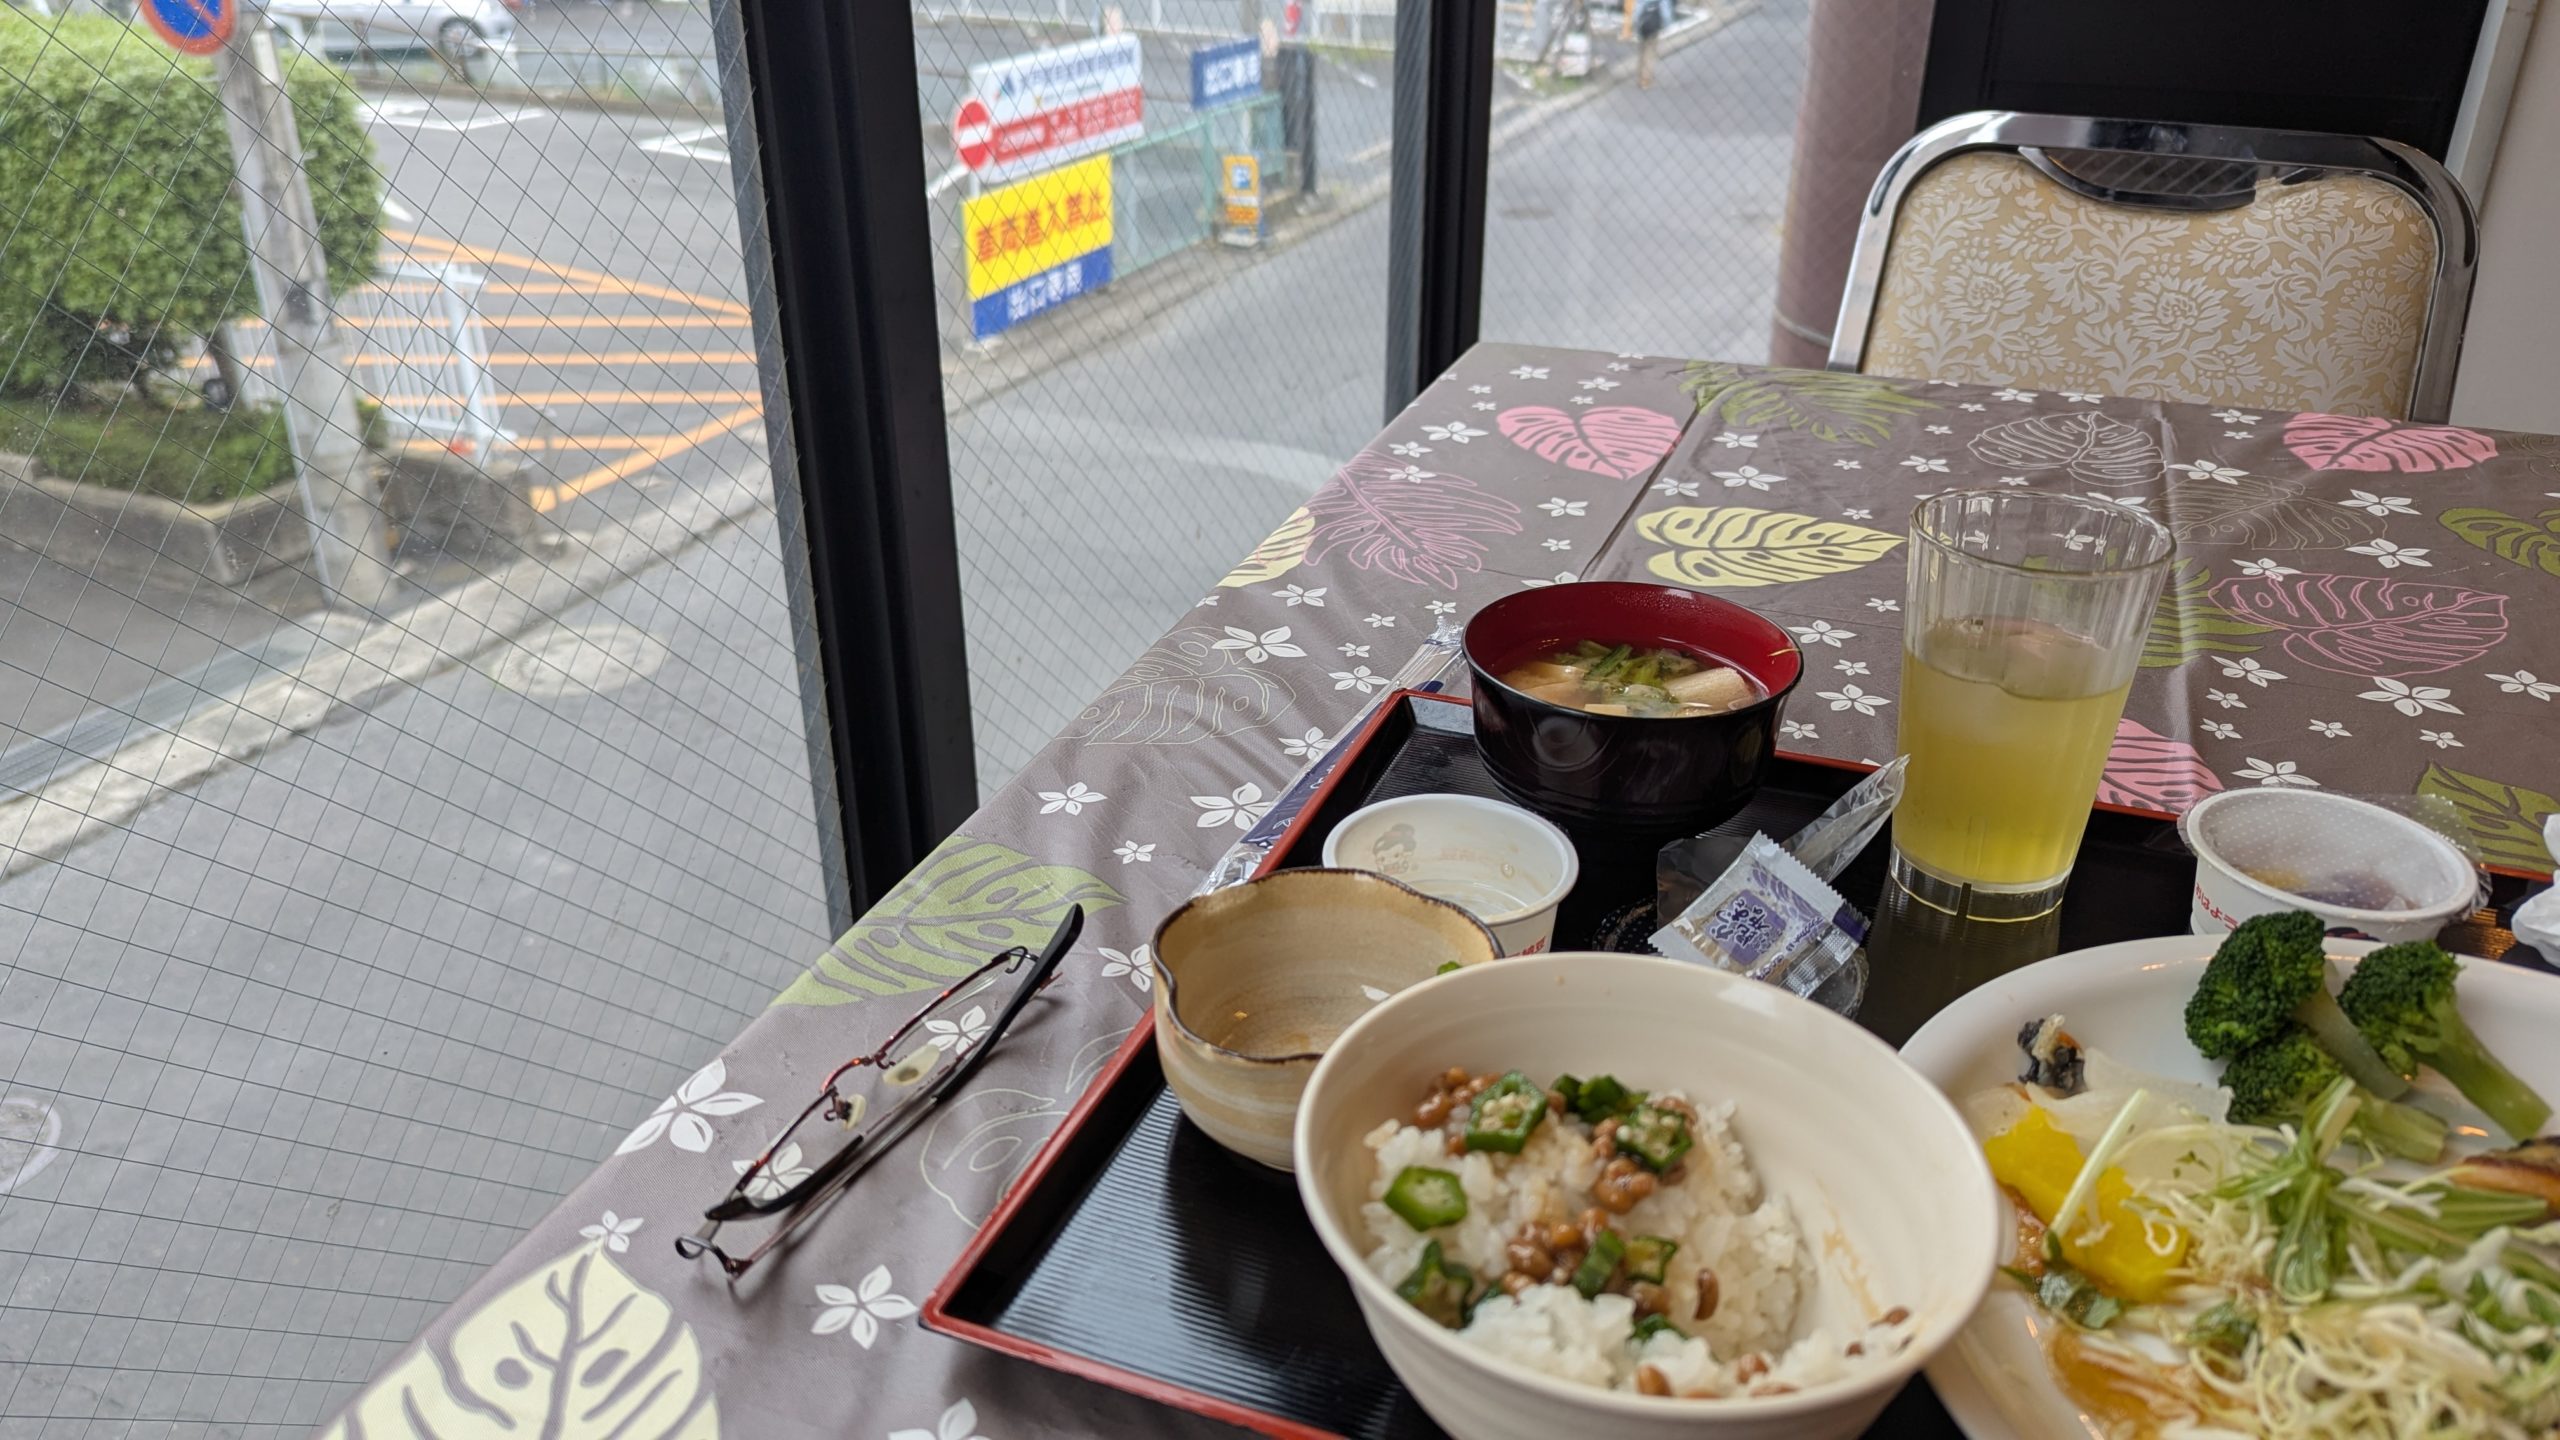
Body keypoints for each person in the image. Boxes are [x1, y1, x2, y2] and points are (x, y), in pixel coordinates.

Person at [1635, 0, 1667, 88]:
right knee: (1650, 53)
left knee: (1641, 52)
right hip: (1653, 27)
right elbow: (1666, 12)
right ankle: (1646, 79)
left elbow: (1637, 10)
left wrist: (1637, 25)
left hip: (1643, 26)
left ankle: (1639, 76)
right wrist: (1664, 25)